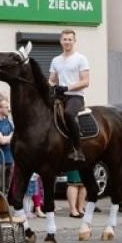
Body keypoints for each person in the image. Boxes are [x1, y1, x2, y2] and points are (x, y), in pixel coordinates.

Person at [49, 29, 91, 162]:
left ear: (74, 41)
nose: (67, 42)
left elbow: (85, 81)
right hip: (60, 96)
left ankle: (78, 150)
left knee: (68, 114)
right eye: (65, 39)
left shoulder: (81, 59)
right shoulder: (55, 60)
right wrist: (49, 85)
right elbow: (52, 79)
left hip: (75, 96)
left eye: (70, 39)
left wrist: (67, 87)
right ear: (61, 41)